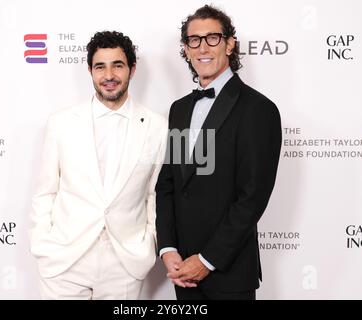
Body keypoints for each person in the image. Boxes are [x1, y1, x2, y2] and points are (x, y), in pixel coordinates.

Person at [156, 5, 282, 300]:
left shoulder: (258, 110)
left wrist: (207, 260)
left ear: (230, 44)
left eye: (213, 38)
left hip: (229, 272)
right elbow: (168, 184)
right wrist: (168, 247)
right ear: (186, 49)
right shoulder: (180, 109)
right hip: (183, 274)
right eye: (194, 40)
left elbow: (251, 198)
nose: (203, 47)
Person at [30, 31, 167, 299]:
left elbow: (154, 194)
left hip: (124, 263)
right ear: (90, 71)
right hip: (65, 259)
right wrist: (43, 243)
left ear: (132, 69)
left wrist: (148, 243)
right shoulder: (61, 122)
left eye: (118, 65)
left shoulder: (157, 126)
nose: (109, 75)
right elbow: (46, 191)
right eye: (100, 67)